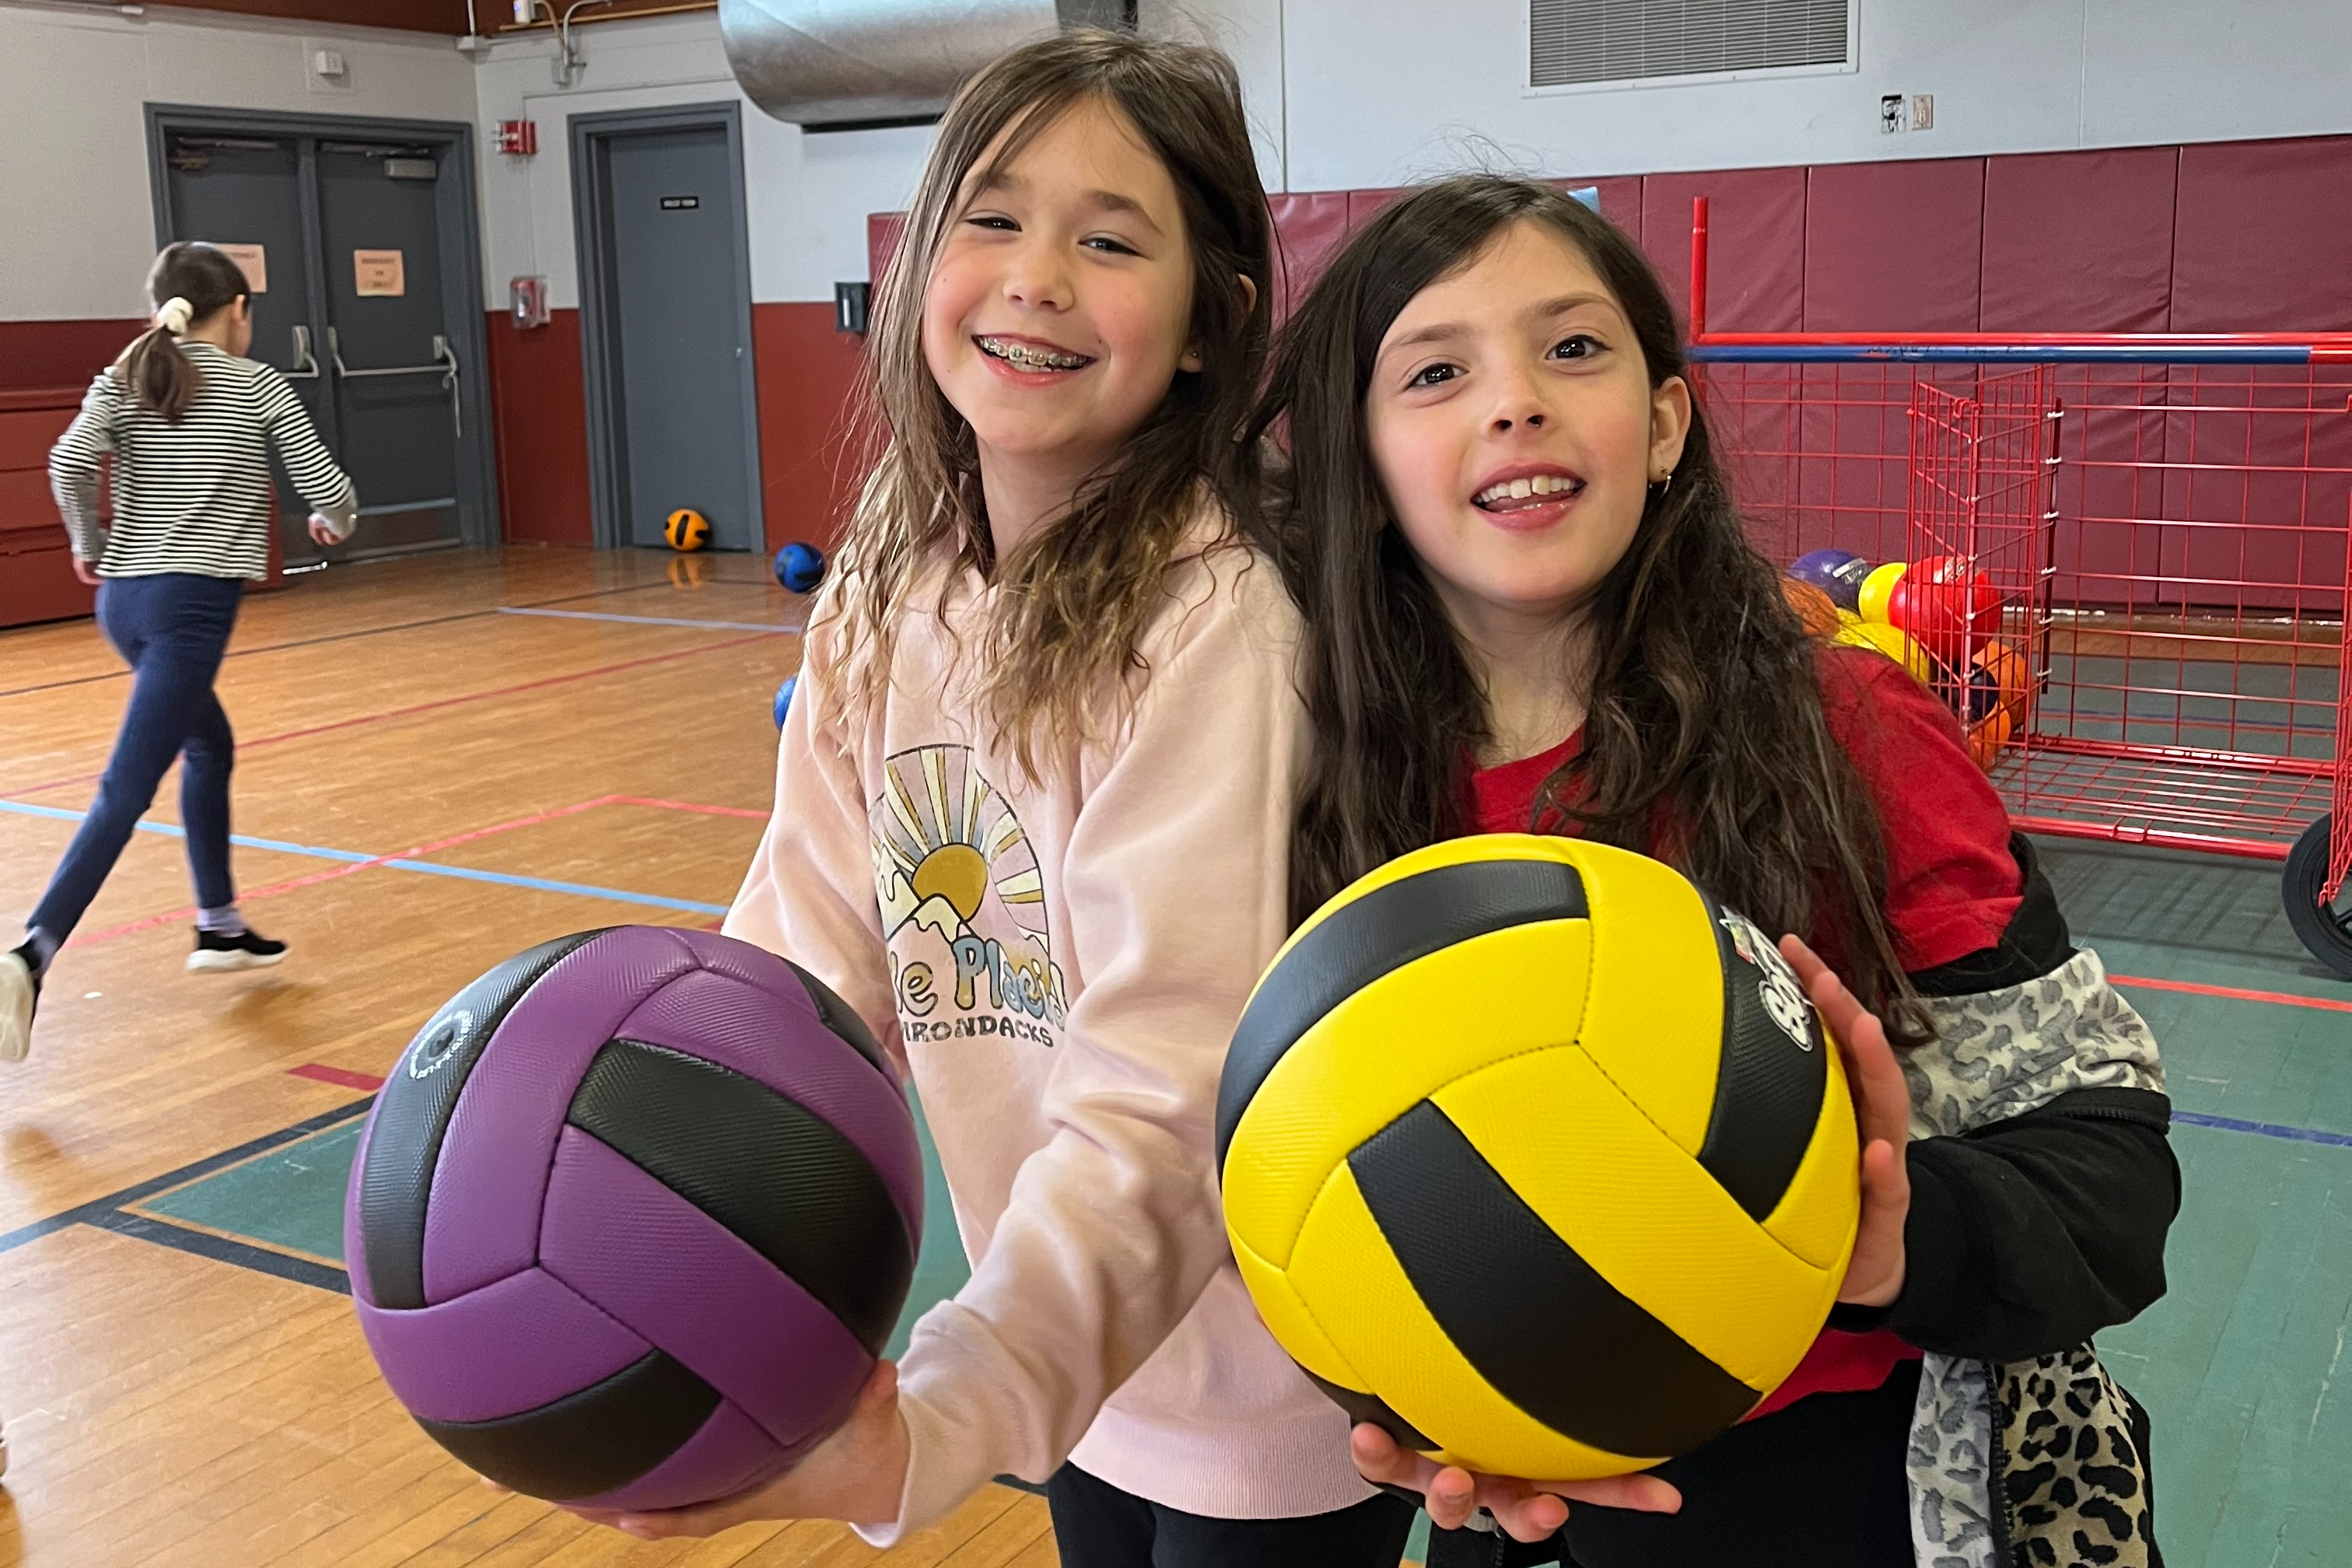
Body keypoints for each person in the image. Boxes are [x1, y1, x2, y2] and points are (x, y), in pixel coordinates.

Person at [566, 34, 1668, 1567]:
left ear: (1215, 323)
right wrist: (670, 1197)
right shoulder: (891, 585)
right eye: (995, 220)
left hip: (1267, 1389)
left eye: (1109, 240)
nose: (1036, 279)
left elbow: (1165, 1098)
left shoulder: (1214, 619)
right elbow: (799, 959)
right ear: (920, 263)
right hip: (1074, 1358)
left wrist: (961, 1395)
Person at [1249, 175, 2179, 1567]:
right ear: (1362, 466)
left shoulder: (1850, 732)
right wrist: (1428, 1394)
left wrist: (1885, 1245)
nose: (1514, 400)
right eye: (1435, 370)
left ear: (1666, 422)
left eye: (1571, 348)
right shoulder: (1314, 784)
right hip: (1523, 1503)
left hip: (1842, 1486)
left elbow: (2107, 1178)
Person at [1, 242, 356, 1065]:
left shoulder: (127, 374)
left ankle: (219, 925)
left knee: (210, 745)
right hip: (189, 608)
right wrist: (336, 523)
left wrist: (88, 539)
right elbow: (328, 490)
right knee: (125, 791)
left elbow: (66, 459)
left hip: (122, 602)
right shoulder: (256, 382)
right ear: (236, 312)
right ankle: (31, 953)